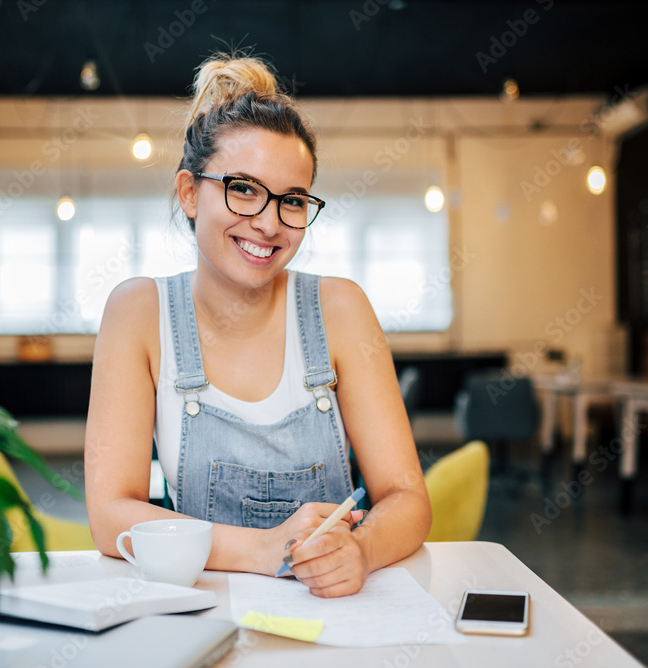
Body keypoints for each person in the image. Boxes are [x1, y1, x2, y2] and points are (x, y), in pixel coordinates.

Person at [85, 53, 430, 598]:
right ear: (189, 192)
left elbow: (406, 498)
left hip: (335, 617)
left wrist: (361, 550)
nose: (268, 223)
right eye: (243, 188)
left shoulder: (341, 310)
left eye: (292, 200)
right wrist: (268, 548)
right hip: (205, 612)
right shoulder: (138, 314)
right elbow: (110, 516)